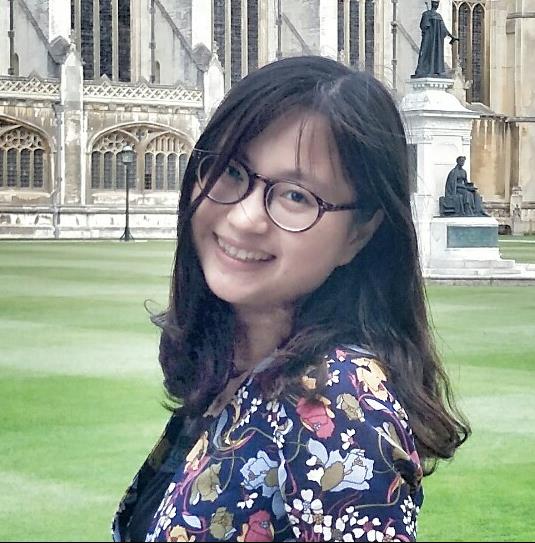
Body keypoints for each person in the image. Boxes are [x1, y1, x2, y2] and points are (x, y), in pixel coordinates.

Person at [112, 55, 470, 542]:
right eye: (231, 170)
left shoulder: (340, 400)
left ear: (360, 232)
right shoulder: (234, 372)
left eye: (296, 196)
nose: (244, 218)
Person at [413, 0, 458, 78]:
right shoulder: (426, 14)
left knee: (436, 54)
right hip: (428, 38)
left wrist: (451, 36)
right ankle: (422, 70)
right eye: (435, 3)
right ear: (432, 3)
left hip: (436, 40)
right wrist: (427, 25)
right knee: (424, 53)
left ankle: (436, 70)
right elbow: (423, 26)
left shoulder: (438, 16)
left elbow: (443, 28)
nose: (436, 5)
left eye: (437, 3)